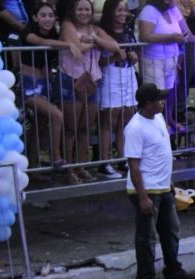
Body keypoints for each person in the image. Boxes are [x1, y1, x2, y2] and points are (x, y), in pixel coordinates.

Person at [124, 83, 190, 279]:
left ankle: (172, 268)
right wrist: (143, 197)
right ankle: (145, 277)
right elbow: (134, 165)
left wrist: (168, 182)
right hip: (147, 188)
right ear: (148, 103)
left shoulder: (158, 118)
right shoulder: (135, 128)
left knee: (170, 229)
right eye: (159, 100)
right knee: (146, 235)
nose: (163, 103)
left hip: (162, 186)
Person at [58, 0, 121, 184]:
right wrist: (90, 44)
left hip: (92, 81)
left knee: (85, 128)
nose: (84, 12)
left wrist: (93, 40)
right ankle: (68, 169)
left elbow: (115, 46)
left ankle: (81, 166)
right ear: (73, 10)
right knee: (71, 129)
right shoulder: (67, 25)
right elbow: (76, 49)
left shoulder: (95, 29)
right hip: (71, 79)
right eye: (80, 9)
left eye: (87, 9)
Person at [19, 1, 69, 176]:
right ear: (35, 17)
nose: (47, 19)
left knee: (38, 129)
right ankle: (56, 156)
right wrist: (69, 44)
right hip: (28, 87)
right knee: (57, 115)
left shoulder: (55, 36)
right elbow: (39, 41)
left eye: (50, 15)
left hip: (45, 85)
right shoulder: (27, 32)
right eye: (43, 15)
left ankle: (33, 169)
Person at [138, 0, 195, 133]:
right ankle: (156, 127)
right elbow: (145, 36)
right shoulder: (149, 11)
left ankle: (168, 120)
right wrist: (171, 37)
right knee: (156, 96)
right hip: (154, 60)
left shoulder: (174, 10)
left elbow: (184, 29)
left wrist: (190, 35)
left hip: (171, 59)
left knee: (169, 94)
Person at [96, 0, 138, 180]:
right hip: (111, 75)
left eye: (125, 10)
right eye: (119, 10)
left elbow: (134, 52)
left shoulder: (128, 30)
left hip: (128, 74)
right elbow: (97, 61)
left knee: (125, 118)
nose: (123, 13)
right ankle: (104, 162)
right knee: (110, 120)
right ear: (111, 11)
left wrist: (134, 57)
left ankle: (123, 158)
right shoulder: (103, 31)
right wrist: (114, 57)